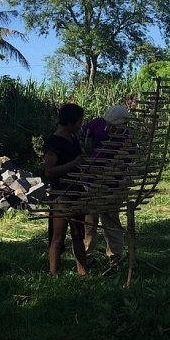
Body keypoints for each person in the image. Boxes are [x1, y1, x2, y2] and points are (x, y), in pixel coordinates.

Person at [81, 105, 129, 267]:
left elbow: (126, 164)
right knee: (89, 223)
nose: (109, 128)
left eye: (113, 126)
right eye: (108, 124)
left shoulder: (128, 139)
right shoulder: (98, 124)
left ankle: (115, 258)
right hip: (91, 182)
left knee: (111, 222)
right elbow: (79, 133)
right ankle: (86, 257)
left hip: (113, 186)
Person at [44, 103, 89, 276]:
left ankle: (83, 272)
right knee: (58, 237)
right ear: (70, 123)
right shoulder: (53, 142)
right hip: (61, 194)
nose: (80, 125)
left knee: (78, 235)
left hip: (77, 191)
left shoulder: (74, 139)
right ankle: (54, 275)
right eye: (79, 121)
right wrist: (73, 164)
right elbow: (49, 171)